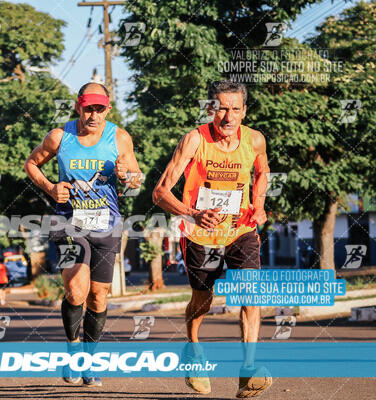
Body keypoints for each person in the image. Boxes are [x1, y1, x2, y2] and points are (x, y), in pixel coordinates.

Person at [153, 80, 272, 398]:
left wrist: (258, 205)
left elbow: (262, 173)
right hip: (200, 235)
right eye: (221, 108)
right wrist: (192, 213)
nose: (228, 116)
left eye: (235, 109)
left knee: (251, 294)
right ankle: (192, 349)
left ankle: (248, 371)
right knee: (202, 300)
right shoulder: (194, 140)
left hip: (241, 231)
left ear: (244, 111)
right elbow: (160, 192)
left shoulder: (255, 140)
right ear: (210, 109)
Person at [24, 82, 141, 387]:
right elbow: (31, 163)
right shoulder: (60, 136)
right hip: (68, 223)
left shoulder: (119, 137)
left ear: (107, 110)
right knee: (76, 290)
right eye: (88, 107)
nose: (93, 114)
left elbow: (136, 180)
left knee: (99, 295)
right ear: (78, 106)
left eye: (99, 109)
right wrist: (51, 187)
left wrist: (125, 175)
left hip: (107, 224)